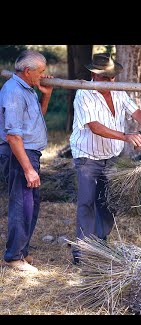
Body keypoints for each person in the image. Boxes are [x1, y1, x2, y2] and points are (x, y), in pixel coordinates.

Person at [70, 53, 141, 264]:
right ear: (93, 74)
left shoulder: (118, 91)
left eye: (112, 77)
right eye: (105, 77)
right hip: (87, 156)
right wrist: (126, 136)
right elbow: (95, 127)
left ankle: (101, 245)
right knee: (87, 203)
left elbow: (136, 111)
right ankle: (82, 254)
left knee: (107, 202)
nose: (110, 81)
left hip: (111, 157)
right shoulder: (83, 94)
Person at [0, 50, 54, 272]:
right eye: (41, 72)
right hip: (19, 153)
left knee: (31, 205)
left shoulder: (28, 89)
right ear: (28, 71)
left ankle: (21, 252)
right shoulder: (13, 92)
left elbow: (35, 120)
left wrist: (47, 94)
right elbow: (13, 136)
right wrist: (28, 169)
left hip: (30, 153)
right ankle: (13, 257)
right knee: (22, 205)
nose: (44, 75)